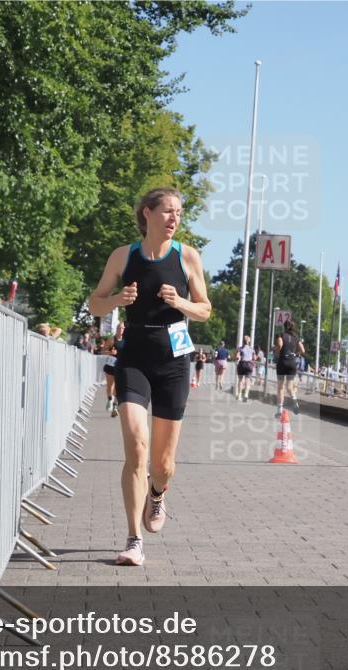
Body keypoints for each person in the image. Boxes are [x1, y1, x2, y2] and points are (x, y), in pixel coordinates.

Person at [87, 187, 211, 566]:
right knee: (136, 447)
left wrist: (180, 302)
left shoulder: (187, 256)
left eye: (178, 212)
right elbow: (94, 302)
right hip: (135, 356)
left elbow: (205, 309)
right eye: (167, 211)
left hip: (174, 360)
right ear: (147, 214)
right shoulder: (124, 256)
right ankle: (133, 539)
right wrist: (116, 302)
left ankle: (157, 492)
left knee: (163, 462)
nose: (174, 219)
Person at [275, 319, 305, 416]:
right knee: (289, 387)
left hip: (282, 361)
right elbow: (303, 350)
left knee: (280, 387)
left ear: (284, 326)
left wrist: (279, 352)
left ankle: (279, 409)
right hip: (292, 363)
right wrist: (296, 354)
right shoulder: (296, 337)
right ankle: (295, 402)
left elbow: (280, 344)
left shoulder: (281, 335)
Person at [102, 337, 119, 417]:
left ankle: (115, 406)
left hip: (122, 366)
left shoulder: (127, 339)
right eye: (119, 328)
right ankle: (110, 399)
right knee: (110, 385)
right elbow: (102, 351)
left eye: (122, 328)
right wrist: (110, 352)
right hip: (111, 365)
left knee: (118, 386)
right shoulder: (112, 339)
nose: (120, 330)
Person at [235, 335, 255, 402]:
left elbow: (237, 357)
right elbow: (254, 358)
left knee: (240, 380)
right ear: (249, 341)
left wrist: (237, 357)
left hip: (242, 364)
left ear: (243, 341)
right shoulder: (252, 349)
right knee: (247, 381)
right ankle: (246, 395)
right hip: (249, 365)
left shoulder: (240, 348)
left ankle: (239, 395)